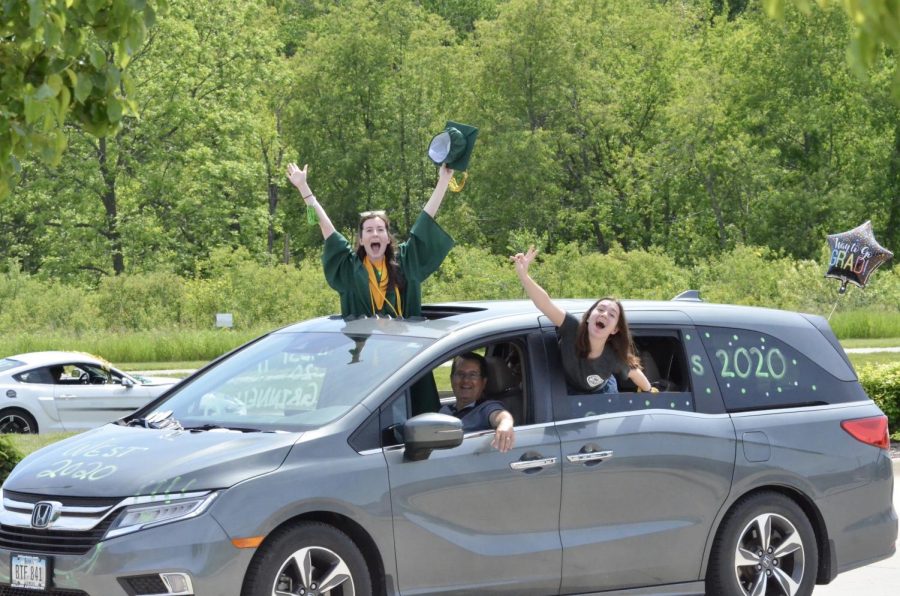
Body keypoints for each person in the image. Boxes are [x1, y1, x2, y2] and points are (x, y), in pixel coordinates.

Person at [286, 162, 455, 318]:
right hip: (363, 348)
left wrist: (444, 180)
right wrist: (303, 187)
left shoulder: (406, 261)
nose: (375, 233)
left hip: (405, 347)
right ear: (361, 239)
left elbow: (424, 223)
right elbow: (327, 228)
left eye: (380, 229)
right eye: (369, 230)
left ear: (388, 238)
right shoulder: (349, 269)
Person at [511, 246, 655, 395]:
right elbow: (546, 304)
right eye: (600, 309)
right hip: (566, 390)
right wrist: (524, 276)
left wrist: (650, 392)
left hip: (602, 393)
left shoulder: (613, 357)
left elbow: (636, 374)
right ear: (588, 317)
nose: (604, 314)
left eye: (612, 314)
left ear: (614, 329)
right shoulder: (572, 327)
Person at [440, 352, 515, 453]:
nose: (466, 380)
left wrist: (505, 424)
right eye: (460, 374)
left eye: (473, 375)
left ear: (483, 382)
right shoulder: (444, 410)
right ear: (451, 379)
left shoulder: (486, 408)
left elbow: (500, 415)